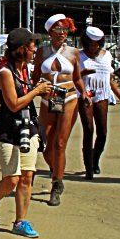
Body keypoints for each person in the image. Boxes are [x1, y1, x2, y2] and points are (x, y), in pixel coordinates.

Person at [0, 28, 51, 238]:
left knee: (27, 176)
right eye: (32, 46)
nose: (35, 50)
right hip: (7, 130)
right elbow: (13, 104)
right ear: (22, 49)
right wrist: (36, 91)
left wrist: (41, 90)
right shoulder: (5, 72)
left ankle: (20, 221)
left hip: (28, 127)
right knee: (11, 179)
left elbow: (26, 99)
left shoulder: (25, 71)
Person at [30, 14, 89, 207]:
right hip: (48, 98)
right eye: (58, 30)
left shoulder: (73, 53)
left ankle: (56, 183)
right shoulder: (42, 52)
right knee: (43, 143)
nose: (62, 34)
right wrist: (35, 93)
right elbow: (36, 77)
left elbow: (78, 77)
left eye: (66, 30)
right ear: (50, 32)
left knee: (61, 144)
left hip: (69, 97)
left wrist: (85, 94)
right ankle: (56, 169)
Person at [78, 27, 120, 179]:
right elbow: (73, 77)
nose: (94, 47)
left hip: (102, 94)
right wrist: (82, 73)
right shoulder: (78, 56)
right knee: (88, 129)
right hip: (85, 94)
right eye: (91, 44)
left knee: (103, 132)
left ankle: (95, 159)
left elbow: (110, 80)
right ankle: (88, 168)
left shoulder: (107, 56)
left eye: (97, 44)